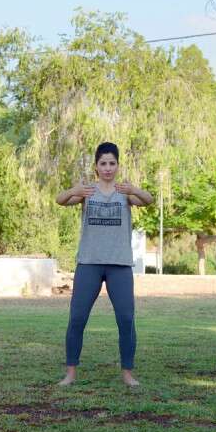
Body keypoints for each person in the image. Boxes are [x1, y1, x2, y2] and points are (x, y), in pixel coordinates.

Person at [56, 142, 153, 386]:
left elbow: (148, 200)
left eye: (112, 163)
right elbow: (60, 200)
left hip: (119, 264)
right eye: (103, 163)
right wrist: (74, 189)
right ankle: (70, 373)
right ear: (96, 166)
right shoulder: (87, 192)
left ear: (118, 165)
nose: (108, 168)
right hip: (89, 263)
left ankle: (127, 373)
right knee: (77, 318)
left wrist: (134, 188)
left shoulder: (125, 192)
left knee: (126, 319)